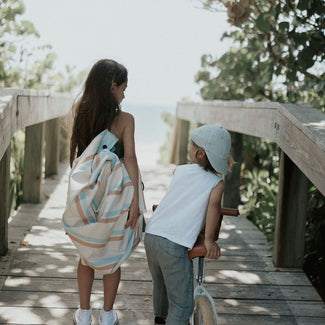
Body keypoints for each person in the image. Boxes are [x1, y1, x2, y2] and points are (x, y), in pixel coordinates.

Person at [62, 59, 146, 325]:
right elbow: (130, 159)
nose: (124, 94)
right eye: (123, 88)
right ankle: (107, 315)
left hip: (87, 189)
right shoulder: (125, 120)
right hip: (116, 194)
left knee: (87, 255)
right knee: (113, 252)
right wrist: (136, 201)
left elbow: (79, 158)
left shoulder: (81, 110)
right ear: (113, 86)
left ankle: (84, 314)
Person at [144, 124, 232, 325]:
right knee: (182, 305)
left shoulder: (180, 171)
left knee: (161, 286)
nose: (189, 150)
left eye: (192, 146)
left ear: (200, 154)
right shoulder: (216, 183)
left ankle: (160, 319)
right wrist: (209, 240)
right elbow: (213, 209)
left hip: (152, 236)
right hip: (173, 245)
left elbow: (182, 198)